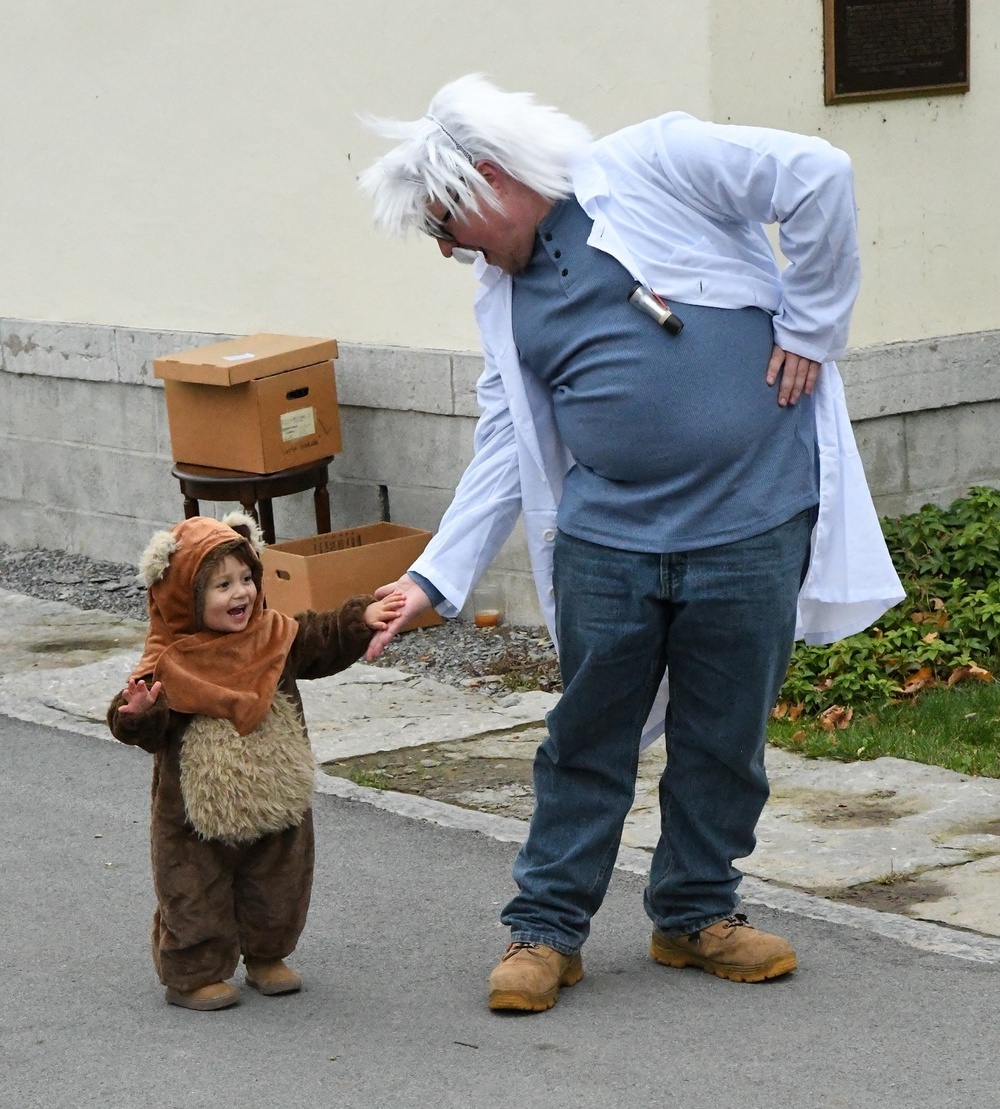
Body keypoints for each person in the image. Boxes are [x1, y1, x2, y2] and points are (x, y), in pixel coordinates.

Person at [358, 75, 904, 1012]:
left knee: (724, 736)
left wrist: (814, 326)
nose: (449, 249)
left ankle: (695, 913)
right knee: (588, 736)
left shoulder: (652, 162)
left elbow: (819, 174)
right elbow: (506, 439)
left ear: (490, 176)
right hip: (609, 544)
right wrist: (432, 577)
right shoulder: (506, 293)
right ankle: (544, 930)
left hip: (751, 520)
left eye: (445, 223)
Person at [107, 511, 403, 1011]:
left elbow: (321, 639)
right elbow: (140, 727)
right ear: (183, 593)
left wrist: (359, 620)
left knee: (279, 881)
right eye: (221, 585)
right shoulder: (169, 662)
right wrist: (137, 713)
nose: (241, 592)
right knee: (193, 886)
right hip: (194, 813)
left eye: (246, 578)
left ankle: (268, 954)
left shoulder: (275, 636)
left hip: (275, 793)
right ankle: (193, 972)